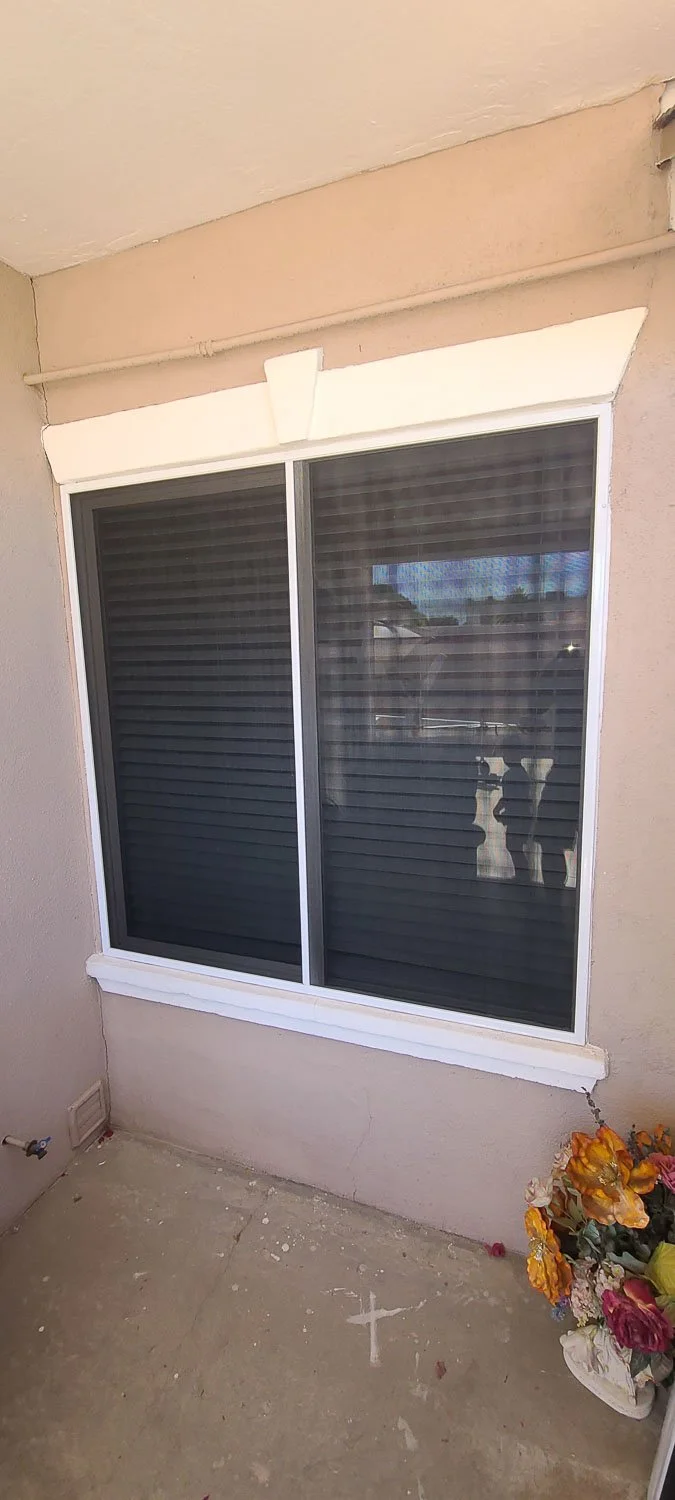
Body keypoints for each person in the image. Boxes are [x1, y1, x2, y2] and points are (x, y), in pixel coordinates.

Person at [493, 743, 532, 883]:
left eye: (506, 754)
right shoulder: (518, 773)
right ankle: (522, 877)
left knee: (514, 846)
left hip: (518, 817)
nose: (504, 757)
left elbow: (511, 798)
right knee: (514, 847)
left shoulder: (513, 774)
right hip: (519, 816)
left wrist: (498, 809)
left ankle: (523, 878)